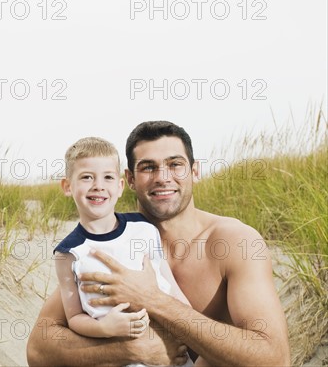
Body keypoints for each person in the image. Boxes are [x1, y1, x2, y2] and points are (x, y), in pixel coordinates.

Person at [26, 121, 291, 366]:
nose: (162, 177)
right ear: (129, 180)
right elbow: (38, 350)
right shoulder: (112, 244)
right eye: (148, 167)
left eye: (175, 164)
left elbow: (275, 358)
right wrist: (128, 350)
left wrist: (152, 299)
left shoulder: (234, 242)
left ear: (194, 171)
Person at [54, 137, 193, 367]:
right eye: (87, 177)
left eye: (108, 177)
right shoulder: (69, 253)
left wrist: (190, 326)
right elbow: (74, 317)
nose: (98, 185)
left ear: (119, 187)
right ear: (68, 186)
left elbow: (170, 285)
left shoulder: (144, 229)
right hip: (123, 357)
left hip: (173, 353)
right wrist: (103, 327)